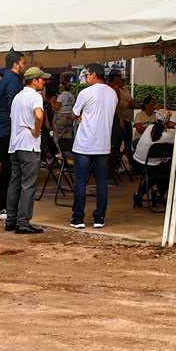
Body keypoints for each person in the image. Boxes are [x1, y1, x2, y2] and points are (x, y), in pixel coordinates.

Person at [70, 64, 119, 229]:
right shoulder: (112, 93)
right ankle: (99, 218)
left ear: (93, 75)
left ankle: (78, 218)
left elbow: (74, 113)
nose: (86, 78)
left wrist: (81, 115)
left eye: (86, 74)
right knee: (101, 182)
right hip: (103, 144)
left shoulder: (86, 93)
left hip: (84, 143)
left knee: (81, 182)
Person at [5, 67, 50, 234]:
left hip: (15, 144)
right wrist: (37, 131)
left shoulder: (18, 96)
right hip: (29, 145)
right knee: (29, 185)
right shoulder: (35, 96)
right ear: (35, 81)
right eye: (42, 79)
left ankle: (11, 219)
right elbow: (39, 115)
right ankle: (23, 222)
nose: (44, 82)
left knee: (15, 182)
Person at [0, 51, 28, 219]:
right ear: (16, 65)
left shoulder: (7, 79)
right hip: (8, 130)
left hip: (3, 128)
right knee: (9, 169)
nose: (25, 67)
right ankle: (4, 207)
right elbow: (15, 107)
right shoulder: (13, 80)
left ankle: (6, 206)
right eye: (24, 63)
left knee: (9, 169)